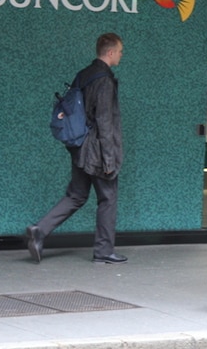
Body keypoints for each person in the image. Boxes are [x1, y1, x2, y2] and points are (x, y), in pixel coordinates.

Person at [26, 33, 126, 264]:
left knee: (77, 194)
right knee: (108, 198)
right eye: (120, 51)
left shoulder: (84, 74)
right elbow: (104, 121)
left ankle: (40, 230)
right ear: (110, 52)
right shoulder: (104, 80)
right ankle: (103, 251)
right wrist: (109, 160)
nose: (121, 55)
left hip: (79, 146)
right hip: (97, 151)